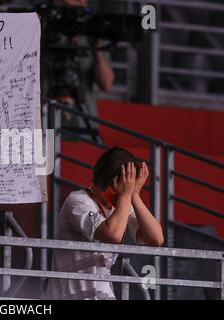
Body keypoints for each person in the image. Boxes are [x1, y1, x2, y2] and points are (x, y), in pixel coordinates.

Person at [46, 147, 164, 300]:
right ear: (110, 182)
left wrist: (134, 195)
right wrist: (125, 196)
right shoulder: (78, 201)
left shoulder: (121, 205)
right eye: (122, 186)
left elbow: (156, 239)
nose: (124, 192)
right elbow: (112, 235)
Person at [42, 0, 114, 139]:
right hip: (46, 121)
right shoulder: (46, 32)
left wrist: (97, 50)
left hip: (83, 121)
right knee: (50, 160)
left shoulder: (91, 37)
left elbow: (106, 83)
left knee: (84, 158)